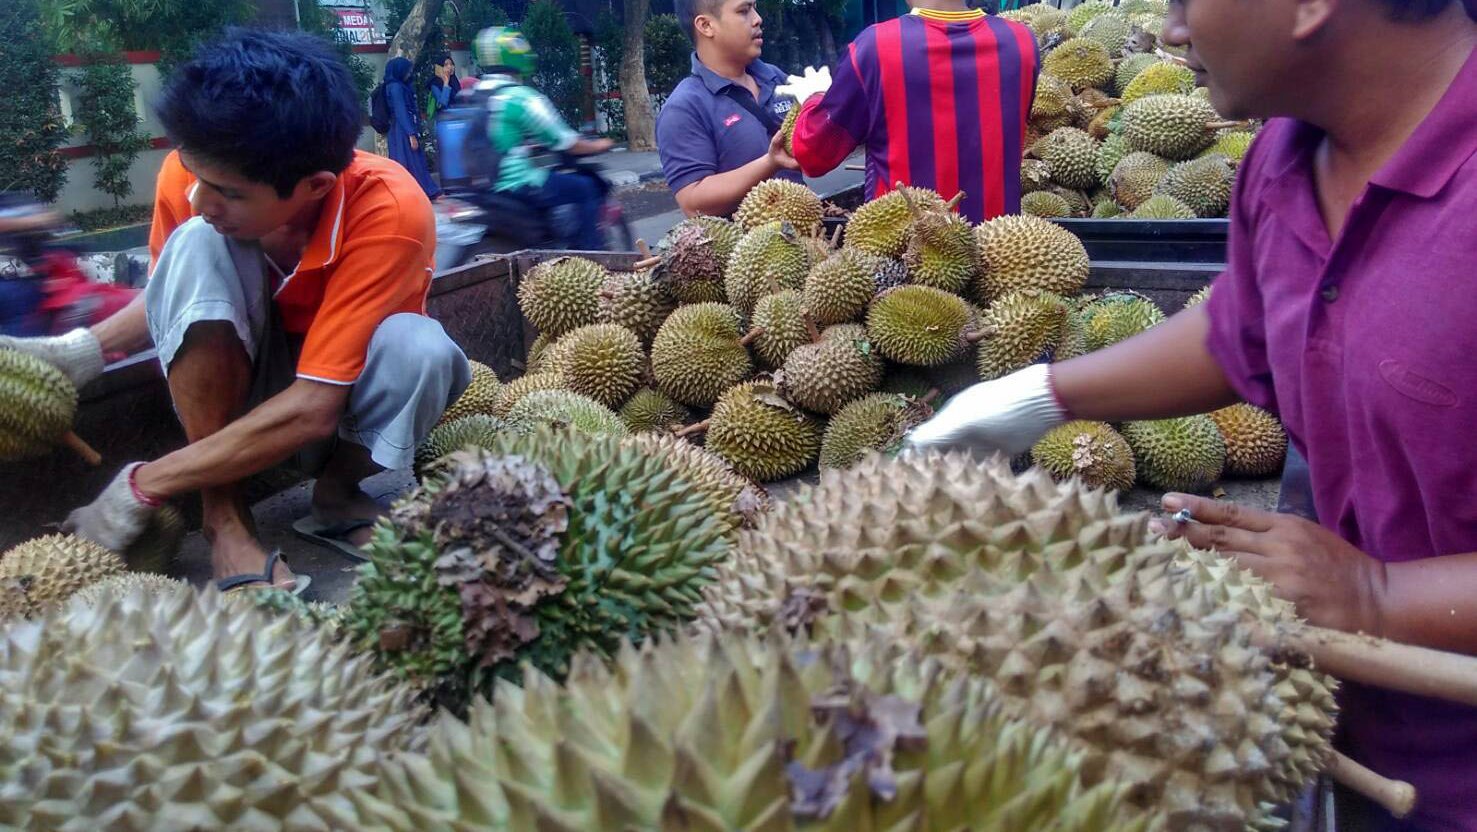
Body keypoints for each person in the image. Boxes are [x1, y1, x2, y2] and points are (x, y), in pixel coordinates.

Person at [904, 0, 1477, 827]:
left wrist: (1381, 594)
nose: (1170, 31)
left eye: (1182, 2)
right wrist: (1038, 397)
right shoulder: (1284, 157)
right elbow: (1243, 326)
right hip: (1355, 730)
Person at [0, 29, 471, 593]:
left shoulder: (390, 209)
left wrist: (142, 485)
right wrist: (82, 351)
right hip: (227, 397)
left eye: (227, 192)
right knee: (197, 242)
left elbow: (315, 406)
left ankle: (338, 496)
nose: (199, 199)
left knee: (424, 348)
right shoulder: (198, 176)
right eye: (196, 177)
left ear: (316, 186)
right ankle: (224, 518)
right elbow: (177, 293)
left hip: (332, 407)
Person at [776, 0, 1038, 223]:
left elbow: (814, 155)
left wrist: (813, 96)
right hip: (1000, 253)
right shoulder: (1022, 43)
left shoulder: (875, 47)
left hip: (906, 255)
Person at [656, 0, 804, 218]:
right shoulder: (683, 107)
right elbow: (692, 202)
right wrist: (770, 163)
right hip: (744, 249)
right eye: (744, 11)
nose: (757, 19)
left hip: (807, 236)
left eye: (754, 7)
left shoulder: (774, 77)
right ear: (706, 26)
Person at [472, 26, 614, 251]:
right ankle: (594, 256)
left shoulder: (473, 93)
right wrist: (600, 144)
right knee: (585, 188)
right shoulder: (519, 97)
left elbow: (496, 137)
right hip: (516, 183)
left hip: (479, 188)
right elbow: (564, 142)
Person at [385, 56, 442, 200]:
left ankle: (417, 192)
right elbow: (400, 111)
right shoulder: (396, 87)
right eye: (407, 70)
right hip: (402, 130)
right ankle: (425, 191)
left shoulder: (396, 85)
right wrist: (411, 134)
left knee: (410, 161)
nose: (409, 73)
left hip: (402, 128)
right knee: (411, 161)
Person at [426, 52, 461, 121]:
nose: (449, 67)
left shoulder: (454, 80)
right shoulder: (435, 84)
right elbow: (443, 103)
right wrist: (445, 84)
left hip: (456, 117)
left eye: (451, 64)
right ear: (439, 67)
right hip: (444, 119)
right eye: (446, 65)